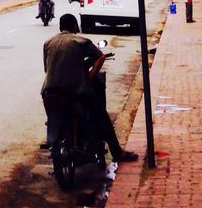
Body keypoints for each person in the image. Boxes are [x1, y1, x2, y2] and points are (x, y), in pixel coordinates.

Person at [41, 14, 138, 162]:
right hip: (74, 92)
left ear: (60, 27)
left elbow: (47, 68)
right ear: (75, 26)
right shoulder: (80, 41)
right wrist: (89, 77)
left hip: (49, 92)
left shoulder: (48, 43)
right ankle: (117, 153)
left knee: (52, 116)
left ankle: (55, 137)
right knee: (101, 116)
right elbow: (100, 57)